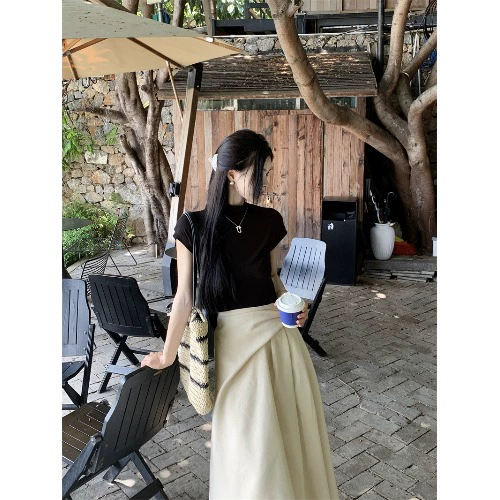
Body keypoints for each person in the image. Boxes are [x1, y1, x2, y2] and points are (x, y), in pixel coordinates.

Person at [141, 129, 339, 499]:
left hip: (280, 342)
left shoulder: (269, 221)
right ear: (232, 174)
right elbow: (184, 297)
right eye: (260, 173)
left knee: (291, 439)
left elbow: (272, 279)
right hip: (233, 346)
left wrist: (295, 305)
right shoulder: (192, 226)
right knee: (248, 449)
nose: (266, 182)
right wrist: (167, 356)